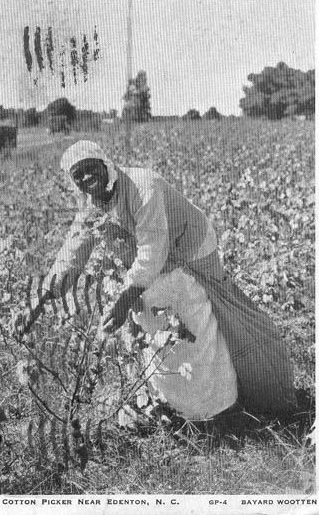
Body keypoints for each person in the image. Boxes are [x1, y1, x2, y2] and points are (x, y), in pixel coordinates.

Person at [43, 140, 296, 421]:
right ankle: (184, 402)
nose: (87, 178)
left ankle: (241, 400)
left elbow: (153, 248)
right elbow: (75, 248)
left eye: (91, 168)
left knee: (215, 318)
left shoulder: (141, 186)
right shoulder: (92, 202)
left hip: (191, 248)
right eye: (78, 175)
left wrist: (124, 299)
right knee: (170, 325)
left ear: (105, 164)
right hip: (161, 263)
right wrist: (43, 294)